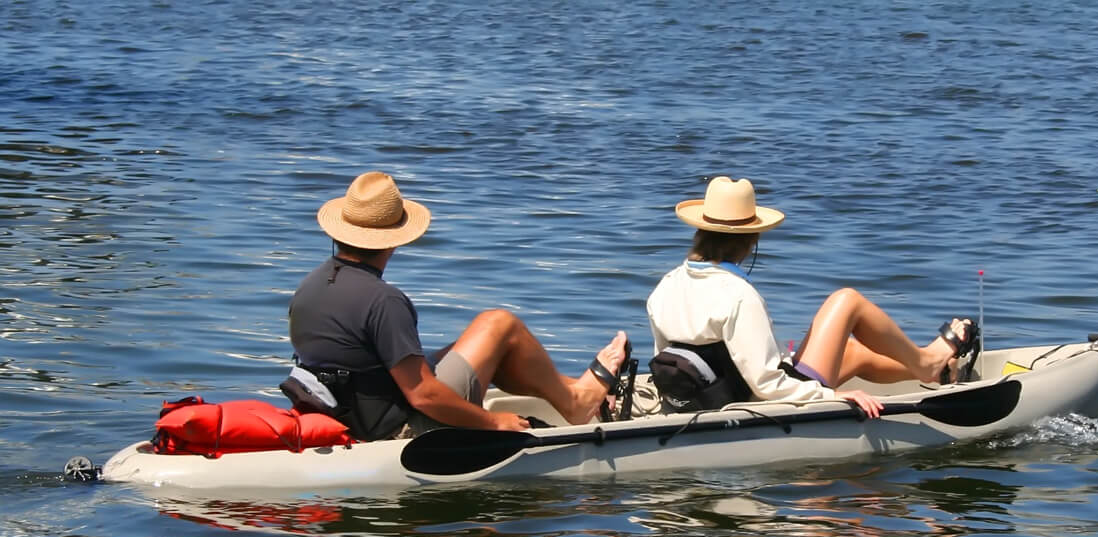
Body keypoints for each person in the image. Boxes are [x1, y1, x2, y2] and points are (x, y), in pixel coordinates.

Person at [287, 171, 629, 440]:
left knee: (483, 345)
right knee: (499, 325)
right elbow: (423, 396)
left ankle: (573, 390)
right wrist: (494, 422)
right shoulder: (383, 300)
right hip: (400, 429)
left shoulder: (309, 287)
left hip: (350, 414)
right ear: (393, 241)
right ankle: (576, 402)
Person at [645, 176, 978, 419]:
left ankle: (935, 374)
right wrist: (832, 396)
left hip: (704, 397)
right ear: (750, 240)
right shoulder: (738, 294)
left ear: (700, 232)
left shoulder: (665, 286)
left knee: (852, 352)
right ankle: (927, 362)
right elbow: (766, 384)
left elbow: (668, 356)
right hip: (755, 403)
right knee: (847, 301)